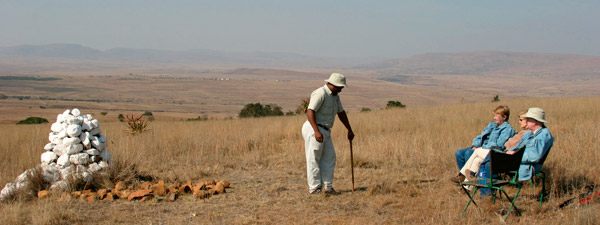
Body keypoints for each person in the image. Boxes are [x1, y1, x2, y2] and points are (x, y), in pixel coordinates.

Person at [302, 73, 355, 194]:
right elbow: (310, 111)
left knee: (330, 157)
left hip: (325, 130)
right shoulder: (320, 93)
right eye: (340, 87)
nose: (341, 89)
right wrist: (316, 131)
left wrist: (349, 129)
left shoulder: (335, 96)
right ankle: (314, 188)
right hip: (313, 129)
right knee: (314, 158)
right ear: (333, 84)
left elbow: (341, 113)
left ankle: (327, 187)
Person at [450, 105, 515, 183]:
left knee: (469, 153)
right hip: (482, 148)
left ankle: (464, 177)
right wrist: (475, 145)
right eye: (494, 116)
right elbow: (480, 136)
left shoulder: (508, 129)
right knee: (459, 153)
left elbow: (499, 144)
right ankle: (467, 179)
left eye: (497, 116)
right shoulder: (492, 125)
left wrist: (483, 147)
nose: (494, 118)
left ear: (504, 117)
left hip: (492, 151)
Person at [460, 110, 529, 181]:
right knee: (477, 160)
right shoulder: (522, 132)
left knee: (477, 151)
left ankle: (463, 175)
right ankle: (468, 187)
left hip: (507, 158)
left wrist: (513, 150)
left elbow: (520, 147)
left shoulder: (526, 133)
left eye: (521, 120)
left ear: (528, 121)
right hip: (504, 154)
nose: (519, 122)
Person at [505, 107, 554, 181]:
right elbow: (518, 147)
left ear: (535, 121)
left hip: (528, 166)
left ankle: (489, 190)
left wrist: (515, 155)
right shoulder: (529, 133)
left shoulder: (544, 135)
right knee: (491, 159)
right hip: (518, 161)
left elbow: (534, 156)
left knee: (491, 164)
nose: (526, 121)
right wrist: (506, 152)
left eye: (528, 119)